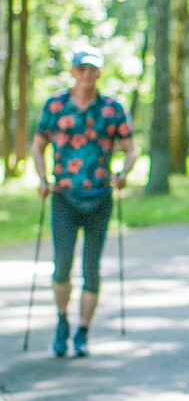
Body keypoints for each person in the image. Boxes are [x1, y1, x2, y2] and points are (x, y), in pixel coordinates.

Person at [31, 47, 136, 358]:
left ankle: (83, 332)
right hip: (63, 195)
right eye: (81, 68)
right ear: (73, 71)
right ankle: (62, 321)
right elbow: (38, 147)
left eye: (92, 69)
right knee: (62, 265)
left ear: (99, 73)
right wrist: (42, 179)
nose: (86, 75)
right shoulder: (55, 105)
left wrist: (123, 173)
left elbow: (131, 148)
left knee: (92, 267)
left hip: (100, 195)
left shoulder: (113, 108)